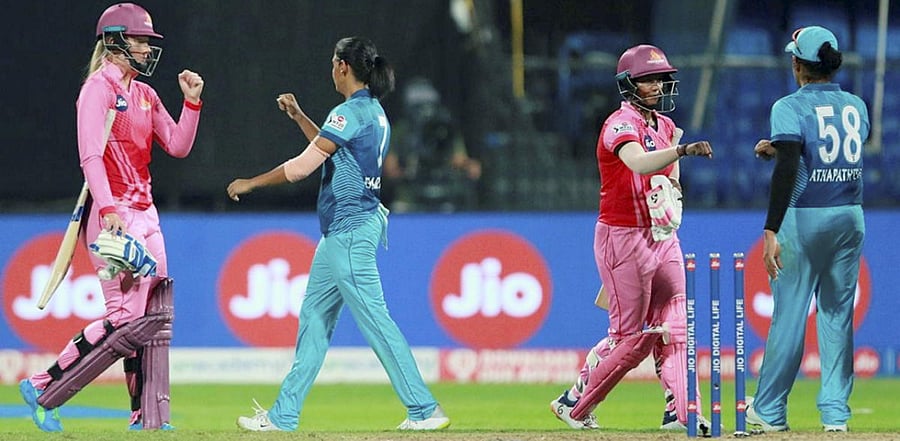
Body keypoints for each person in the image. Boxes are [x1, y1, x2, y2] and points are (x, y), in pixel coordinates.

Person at [227, 37, 450, 432]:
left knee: (376, 321)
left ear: (344, 67)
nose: (331, 69)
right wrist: (299, 117)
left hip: (349, 232)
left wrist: (250, 183)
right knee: (314, 318)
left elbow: (300, 168)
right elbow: (332, 148)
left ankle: (424, 409)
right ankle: (284, 416)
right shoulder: (372, 112)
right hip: (342, 234)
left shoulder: (349, 112)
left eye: (333, 63)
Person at [18, 2, 203, 432]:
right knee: (123, 318)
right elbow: (90, 157)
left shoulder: (145, 93)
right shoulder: (96, 90)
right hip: (112, 218)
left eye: (147, 42)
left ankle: (147, 415)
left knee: (155, 318)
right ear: (115, 41)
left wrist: (191, 105)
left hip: (146, 216)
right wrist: (108, 209)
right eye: (140, 40)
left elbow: (176, 145)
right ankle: (45, 386)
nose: (146, 49)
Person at [548, 44, 714, 432]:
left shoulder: (668, 126)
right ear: (629, 85)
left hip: (662, 236)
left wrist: (672, 193)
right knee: (628, 338)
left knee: (674, 327)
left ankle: (681, 412)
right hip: (621, 238)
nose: (657, 85)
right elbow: (638, 162)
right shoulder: (618, 125)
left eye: (660, 78)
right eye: (648, 80)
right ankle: (575, 404)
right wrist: (683, 151)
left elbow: (667, 177)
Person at [746, 25, 868, 434]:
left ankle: (769, 411)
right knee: (836, 316)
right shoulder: (856, 105)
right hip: (850, 216)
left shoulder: (787, 107)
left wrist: (770, 230)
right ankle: (836, 416)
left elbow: (789, 169)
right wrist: (780, 147)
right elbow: (826, 149)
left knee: (790, 315)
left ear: (798, 64)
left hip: (805, 216)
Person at [382, 77, 481, 212]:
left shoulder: (443, 130)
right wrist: (408, 172)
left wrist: (469, 166)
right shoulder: (401, 131)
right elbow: (390, 169)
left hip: (444, 191)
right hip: (409, 196)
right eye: (419, 107)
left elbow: (459, 160)